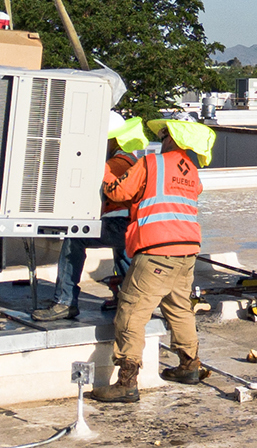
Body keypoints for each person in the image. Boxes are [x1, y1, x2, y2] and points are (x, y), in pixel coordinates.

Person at [89, 118, 216, 402]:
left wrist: (103, 171)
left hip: (157, 248)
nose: (160, 138)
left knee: (131, 311)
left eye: (163, 134)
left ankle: (126, 382)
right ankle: (189, 365)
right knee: (179, 307)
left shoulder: (151, 164)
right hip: (187, 249)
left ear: (172, 138)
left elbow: (118, 193)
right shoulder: (192, 171)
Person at [32, 128, 138, 322]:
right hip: (133, 223)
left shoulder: (114, 164)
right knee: (123, 249)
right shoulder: (130, 159)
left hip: (122, 222)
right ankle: (126, 299)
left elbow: (101, 191)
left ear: (112, 140)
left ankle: (65, 302)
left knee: (76, 237)